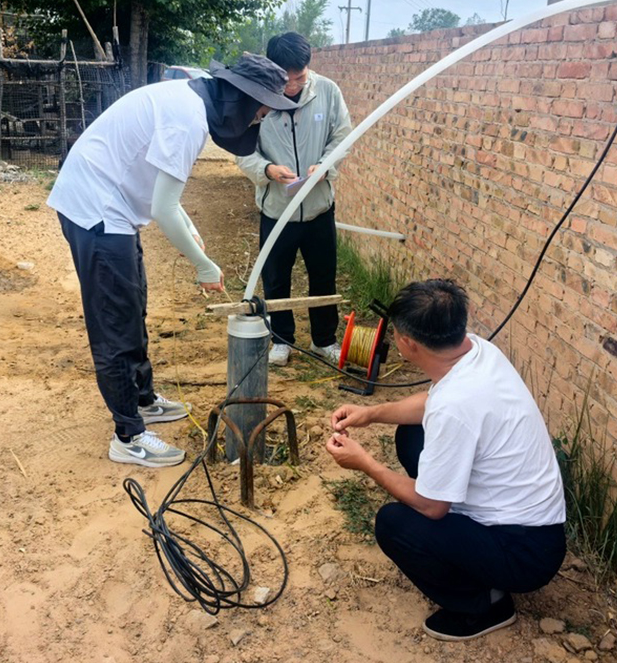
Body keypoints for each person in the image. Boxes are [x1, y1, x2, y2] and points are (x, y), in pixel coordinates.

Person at [48, 55, 297, 469]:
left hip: (115, 208)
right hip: (96, 208)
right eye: (260, 112)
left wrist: (192, 227)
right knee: (115, 319)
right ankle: (128, 435)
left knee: (133, 303)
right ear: (240, 99)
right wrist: (202, 264)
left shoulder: (190, 102)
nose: (258, 121)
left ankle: (142, 400)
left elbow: (167, 198)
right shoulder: (187, 119)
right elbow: (164, 208)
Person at [325, 279, 566, 641]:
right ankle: (470, 556)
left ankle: (483, 606)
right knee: (412, 433)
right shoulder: (477, 351)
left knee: (394, 524)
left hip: (525, 553)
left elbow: (431, 505)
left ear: (408, 343)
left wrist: (365, 462)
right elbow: (432, 404)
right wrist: (371, 413)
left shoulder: (457, 406)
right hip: (533, 526)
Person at [236, 32, 353, 367]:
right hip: (276, 209)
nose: (292, 85)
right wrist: (269, 169)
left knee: (323, 275)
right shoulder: (255, 98)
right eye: (286, 79)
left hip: (318, 208)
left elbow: (343, 136)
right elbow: (242, 152)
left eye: (299, 77)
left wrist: (325, 165)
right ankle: (281, 340)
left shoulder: (327, 91)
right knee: (275, 277)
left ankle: (324, 340)